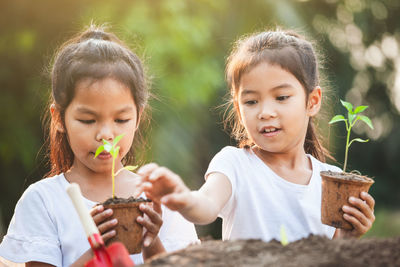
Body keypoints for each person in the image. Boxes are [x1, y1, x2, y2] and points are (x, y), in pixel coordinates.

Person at [137, 29, 375, 243]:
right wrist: (181, 196)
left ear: (312, 102)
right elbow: (206, 205)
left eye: (281, 97)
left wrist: (346, 238)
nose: (265, 112)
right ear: (239, 110)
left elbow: (331, 258)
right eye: (251, 101)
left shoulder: (332, 180)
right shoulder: (234, 164)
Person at [0, 24, 198, 266]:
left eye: (121, 120)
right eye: (88, 120)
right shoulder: (44, 201)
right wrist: (96, 249)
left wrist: (151, 241)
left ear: (138, 118)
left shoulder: (159, 198)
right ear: (58, 118)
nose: (106, 135)